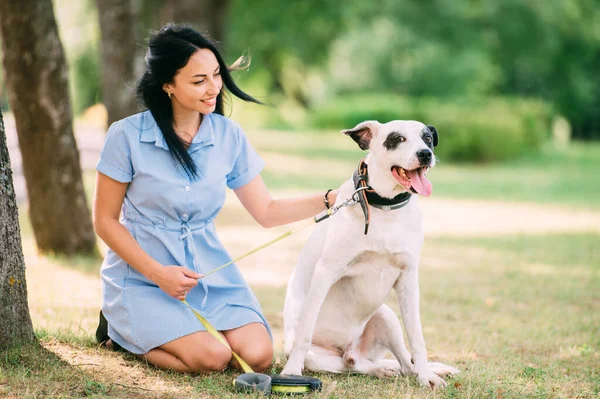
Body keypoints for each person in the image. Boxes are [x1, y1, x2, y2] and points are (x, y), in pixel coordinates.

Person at [93, 24, 337, 374]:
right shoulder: (127, 136)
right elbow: (105, 221)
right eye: (198, 81)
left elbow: (266, 211)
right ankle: (118, 334)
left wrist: (331, 198)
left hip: (211, 275)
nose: (214, 88)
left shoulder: (228, 135)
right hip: (144, 278)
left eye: (216, 75)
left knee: (258, 356)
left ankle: (186, 332)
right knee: (213, 359)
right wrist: (158, 273)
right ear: (167, 86)